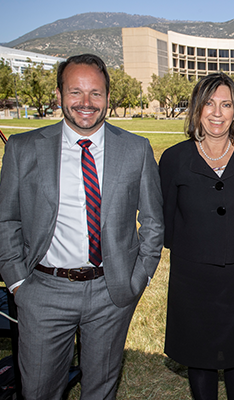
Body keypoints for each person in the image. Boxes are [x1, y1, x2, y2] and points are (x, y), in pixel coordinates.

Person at [0, 53, 164, 399]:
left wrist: (140, 277)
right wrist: (17, 281)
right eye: (75, 92)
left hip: (111, 291)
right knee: (39, 390)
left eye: (96, 93)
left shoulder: (135, 149)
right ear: (59, 96)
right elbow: (7, 218)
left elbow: (152, 221)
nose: (85, 103)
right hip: (43, 290)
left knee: (100, 390)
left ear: (108, 97)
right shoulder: (23, 149)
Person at [160, 72, 234, 400]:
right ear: (197, 109)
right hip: (192, 276)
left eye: (226, 104)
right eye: (209, 103)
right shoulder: (174, 159)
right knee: (200, 352)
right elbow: (167, 222)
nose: (217, 113)